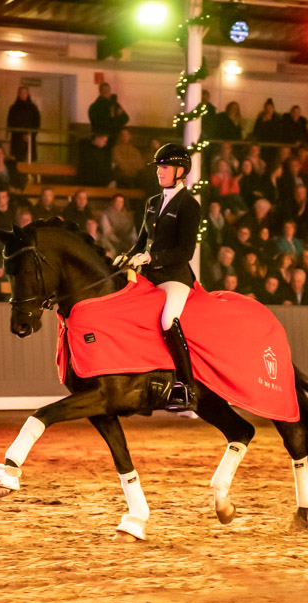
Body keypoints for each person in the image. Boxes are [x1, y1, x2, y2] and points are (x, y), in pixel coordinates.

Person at [114, 144, 201, 411]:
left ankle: (186, 386)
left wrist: (152, 258)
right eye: (158, 168)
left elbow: (185, 252)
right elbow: (141, 241)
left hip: (175, 277)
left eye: (164, 167)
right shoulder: (152, 203)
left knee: (167, 320)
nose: (159, 172)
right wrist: (126, 257)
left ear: (180, 171)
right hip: (150, 276)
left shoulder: (189, 205)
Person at [7, 86, 41, 162]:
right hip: (17, 140)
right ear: (18, 94)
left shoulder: (33, 108)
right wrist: (21, 135)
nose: (23, 94)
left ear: (28, 94)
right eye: (21, 93)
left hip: (30, 139)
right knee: (17, 161)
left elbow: (37, 124)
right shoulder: (13, 108)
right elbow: (10, 124)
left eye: (25, 92)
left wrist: (30, 135)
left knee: (30, 161)